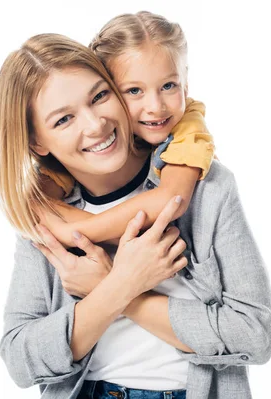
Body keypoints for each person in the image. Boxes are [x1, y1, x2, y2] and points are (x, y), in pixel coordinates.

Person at [0, 29, 271, 399]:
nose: (95, 125)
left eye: (99, 96)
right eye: (63, 120)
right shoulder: (49, 217)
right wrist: (119, 286)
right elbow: (19, 358)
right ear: (36, 141)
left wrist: (121, 291)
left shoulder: (206, 188)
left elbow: (254, 334)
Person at [29, 11, 215, 248]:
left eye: (168, 85)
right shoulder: (79, 158)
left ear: (185, 85)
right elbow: (40, 195)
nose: (156, 108)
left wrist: (75, 232)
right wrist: (42, 208)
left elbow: (172, 199)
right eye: (134, 91)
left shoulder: (188, 124)